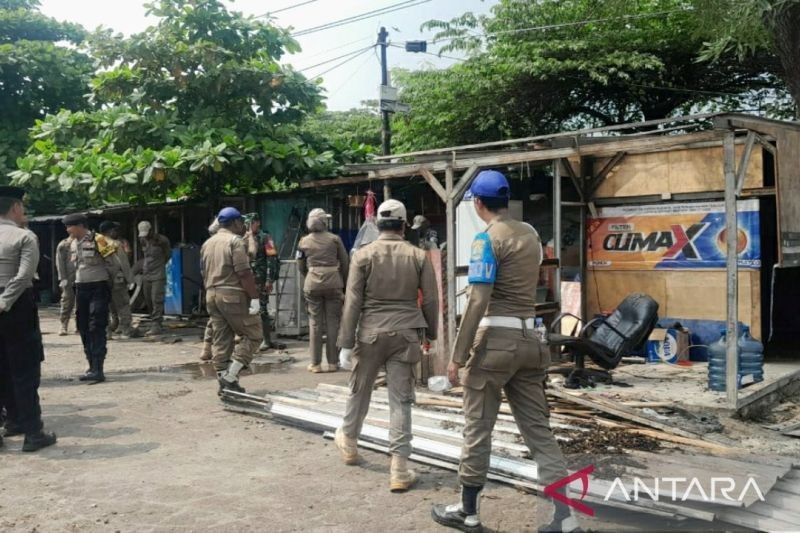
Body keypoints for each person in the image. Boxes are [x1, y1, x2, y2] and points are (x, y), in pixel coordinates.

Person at [431, 171, 579, 533]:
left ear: (478, 204)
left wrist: (457, 355)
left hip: (496, 342)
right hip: (532, 341)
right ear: (507, 201)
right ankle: (566, 517)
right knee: (538, 430)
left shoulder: (486, 240)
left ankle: (467, 513)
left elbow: (479, 300)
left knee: (478, 427)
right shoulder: (529, 234)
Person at [334, 199, 439, 493]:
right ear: (404, 225)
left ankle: (350, 443)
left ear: (378, 225)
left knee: (359, 390)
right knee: (401, 401)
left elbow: (352, 301)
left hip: (370, 334)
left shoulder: (363, 255)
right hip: (406, 334)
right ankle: (400, 469)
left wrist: (345, 343)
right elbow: (430, 299)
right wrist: (431, 333)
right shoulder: (418, 256)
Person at [0, 186, 57, 451]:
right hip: (17, 306)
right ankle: (33, 433)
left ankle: (10, 424)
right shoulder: (24, 236)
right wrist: (5, 301)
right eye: (22, 206)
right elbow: (24, 276)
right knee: (24, 369)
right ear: (14, 208)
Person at [201, 207, 262, 393]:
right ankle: (230, 376)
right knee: (254, 334)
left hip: (211, 294)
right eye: (241, 223)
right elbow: (243, 272)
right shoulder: (234, 242)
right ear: (235, 223)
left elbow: (203, 272)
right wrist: (254, 298)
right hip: (232, 294)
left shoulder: (208, 243)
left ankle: (224, 380)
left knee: (221, 337)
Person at [65, 214, 129, 384]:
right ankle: (91, 365)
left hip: (98, 285)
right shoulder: (72, 243)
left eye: (69, 226)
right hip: (81, 287)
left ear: (79, 225)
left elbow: (113, 264)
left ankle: (98, 368)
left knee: (97, 325)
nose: (67, 230)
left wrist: (109, 282)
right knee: (83, 325)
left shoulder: (99, 239)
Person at [297, 208, 349, 373]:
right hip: (334, 283)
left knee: (315, 323)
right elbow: (345, 262)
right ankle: (333, 363)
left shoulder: (303, 241)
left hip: (312, 284)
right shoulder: (335, 239)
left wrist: (310, 275)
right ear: (324, 222)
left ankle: (315, 363)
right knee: (333, 322)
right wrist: (344, 283)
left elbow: (300, 265)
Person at [243, 213, 285, 352]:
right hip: (247, 278)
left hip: (261, 279)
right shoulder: (244, 239)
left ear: (257, 223)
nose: (249, 227)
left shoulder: (266, 238)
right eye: (247, 224)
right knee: (245, 309)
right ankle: (248, 338)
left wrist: (269, 279)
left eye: (251, 224)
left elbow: (272, 259)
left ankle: (266, 339)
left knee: (262, 309)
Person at [99, 221, 134, 339]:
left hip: (101, 280)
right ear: (110, 231)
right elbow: (123, 263)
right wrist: (130, 279)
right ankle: (126, 330)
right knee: (123, 305)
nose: (116, 232)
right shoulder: (115, 244)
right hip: (117, 280)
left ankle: (106, 332)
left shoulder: (95, 244)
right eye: (114, 230)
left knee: (104, 306)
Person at [137, 220, 171, 336]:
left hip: (158, 274)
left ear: (151, 230)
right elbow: (144, 256)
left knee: (157, 299)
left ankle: (157, 324)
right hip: (146, 274)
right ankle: (154, 321)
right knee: (148, 299)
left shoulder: (162, 240)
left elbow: (168, 255)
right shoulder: (142, 240)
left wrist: (159, 264)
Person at [55, 234, 77, 335]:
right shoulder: (64, 245)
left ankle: (79, 324)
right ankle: (63, 325)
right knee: (67, 301)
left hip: (81, 276)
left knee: (80, 303)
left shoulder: (83, 243)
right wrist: (63, 278)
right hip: (68, 277)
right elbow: (60, 262)